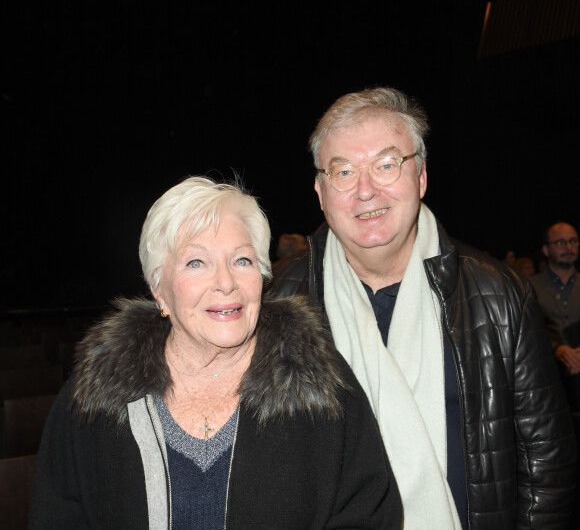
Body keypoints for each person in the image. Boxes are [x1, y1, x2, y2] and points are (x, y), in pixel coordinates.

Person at [272, 87, 577, 529]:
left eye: (386, 164)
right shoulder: (276, 299)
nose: (365, 190)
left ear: (421, 176)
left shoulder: (497, 292)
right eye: (343, 171)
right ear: (320, 191)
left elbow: (547, 463)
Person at [29, 176, 402, 529]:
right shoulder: (96, 395)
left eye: (242, 260)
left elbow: (370, 514)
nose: (226, 283)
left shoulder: (322, 384)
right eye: (197, 263)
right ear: (159, 289)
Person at [531, 222, 580, 400]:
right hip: (546, 384)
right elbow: (527, 332)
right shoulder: (529, 286)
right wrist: (556, 349)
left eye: (573, 241)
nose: (568, 247)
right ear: (545, 250)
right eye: (560, 242)